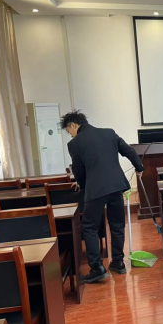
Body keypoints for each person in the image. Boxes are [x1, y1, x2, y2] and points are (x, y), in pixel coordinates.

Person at [61, 111, 144, 283]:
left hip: (96, 190)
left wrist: (83, 185)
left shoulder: (75, 143)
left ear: (73, 125)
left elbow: (78, 170)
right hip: (116, 186)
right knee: (117, 225)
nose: (71, 135)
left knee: (89, 227)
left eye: (69, 131)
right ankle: (118, 262)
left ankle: (97, 267)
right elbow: (129, 151)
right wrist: (139, 168)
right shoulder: (109, 133)